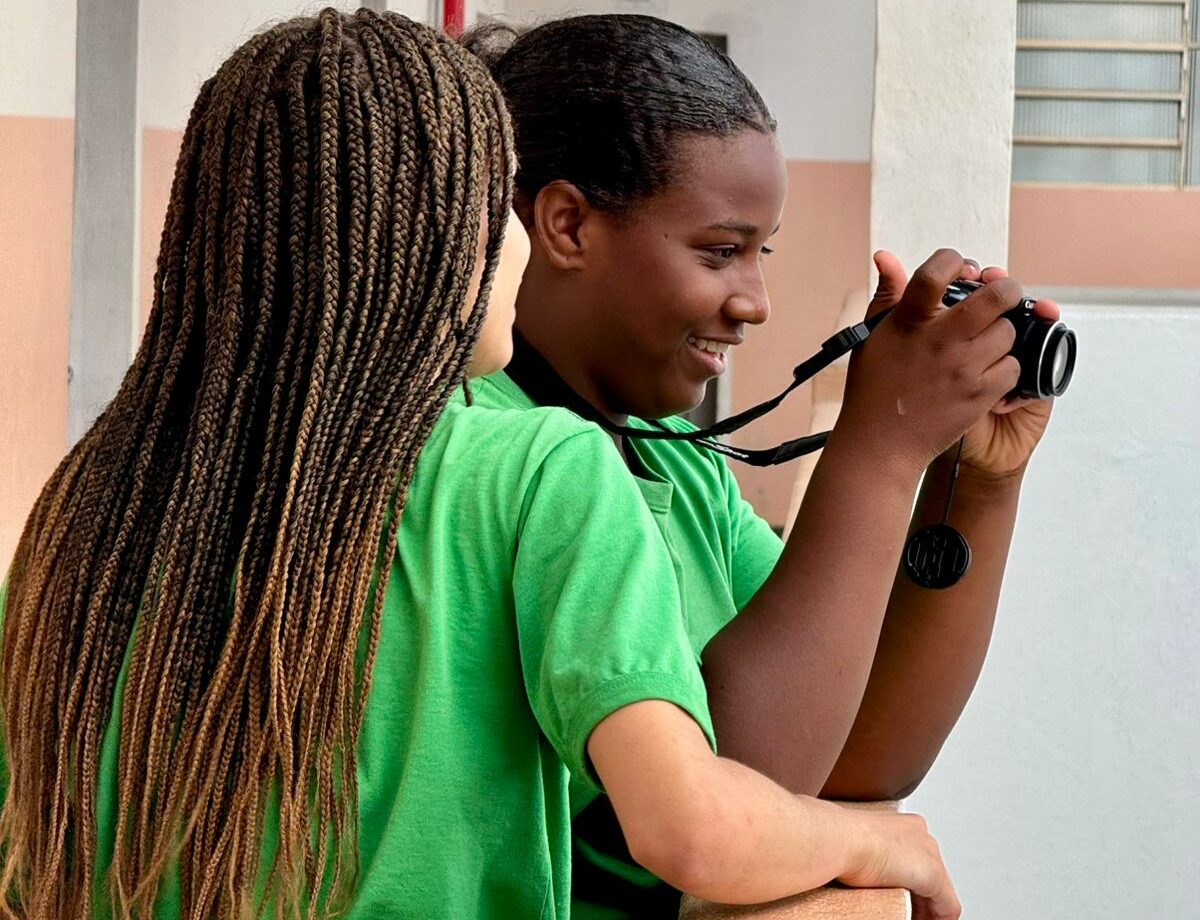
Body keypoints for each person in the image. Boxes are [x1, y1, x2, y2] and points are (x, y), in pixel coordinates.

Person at [0, 8, 963, 920]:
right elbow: (692, 830)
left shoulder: (93, 496)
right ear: (434, 238)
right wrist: (874, 842)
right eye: (492, 202)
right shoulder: (540, 468)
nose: (515, 237)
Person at [464, 13, 1058, 917]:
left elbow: (856, 756)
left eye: (762, 252)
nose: (756, 302)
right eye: (721, 251)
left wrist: (973, 480)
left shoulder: (677, 467)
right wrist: (880, 447)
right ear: (567, 225)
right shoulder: (490, 454)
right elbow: (735, 796)